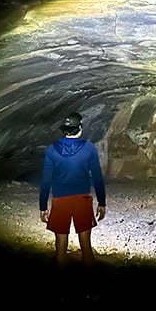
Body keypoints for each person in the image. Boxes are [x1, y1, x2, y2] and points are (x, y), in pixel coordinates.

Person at [39, 111, 106, 298]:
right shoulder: (89, 149)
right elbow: (97, 177)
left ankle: (61, 291)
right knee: (86, 245)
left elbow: (46, 180)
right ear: (80, 128)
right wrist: (102, 202)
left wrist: (43, 206)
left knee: (60, 247)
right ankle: (92, 291)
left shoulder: (52, 150)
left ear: (64, 130)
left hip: (60, 201)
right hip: (82, 201)